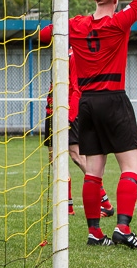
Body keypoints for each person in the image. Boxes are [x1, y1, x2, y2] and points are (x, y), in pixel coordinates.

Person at [69, 0, 137, 248]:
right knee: (131, 166)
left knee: (93, 172)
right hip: (113, 99)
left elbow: (45, 33)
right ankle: (123, 228)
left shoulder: (76, 25)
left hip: (86, 102)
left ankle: (95, 232)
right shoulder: (119, 22)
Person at [39, 30, 114, 217]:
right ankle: (68, 206)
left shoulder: (73, 57)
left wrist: (69, 116)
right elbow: (42, 34)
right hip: (52, 112)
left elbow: (76, 89)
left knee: (77, 156)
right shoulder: (60, 56)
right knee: (54, 158)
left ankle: (105, 202)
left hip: (66, 114)